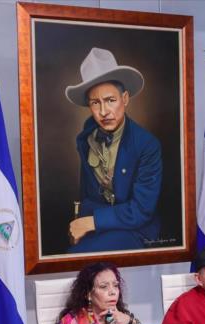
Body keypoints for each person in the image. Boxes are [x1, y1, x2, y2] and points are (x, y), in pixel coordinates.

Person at [64, 47, 162, 253]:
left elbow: (141, 210)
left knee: (78, 257)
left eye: (110, 100)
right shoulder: (86, 137)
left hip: (135, 228)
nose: (103, 112)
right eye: (95, 103)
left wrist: (92, 222)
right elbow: (87, 193)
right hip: (95, 223)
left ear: (124, 99)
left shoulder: (147, 145)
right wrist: (81, 220)